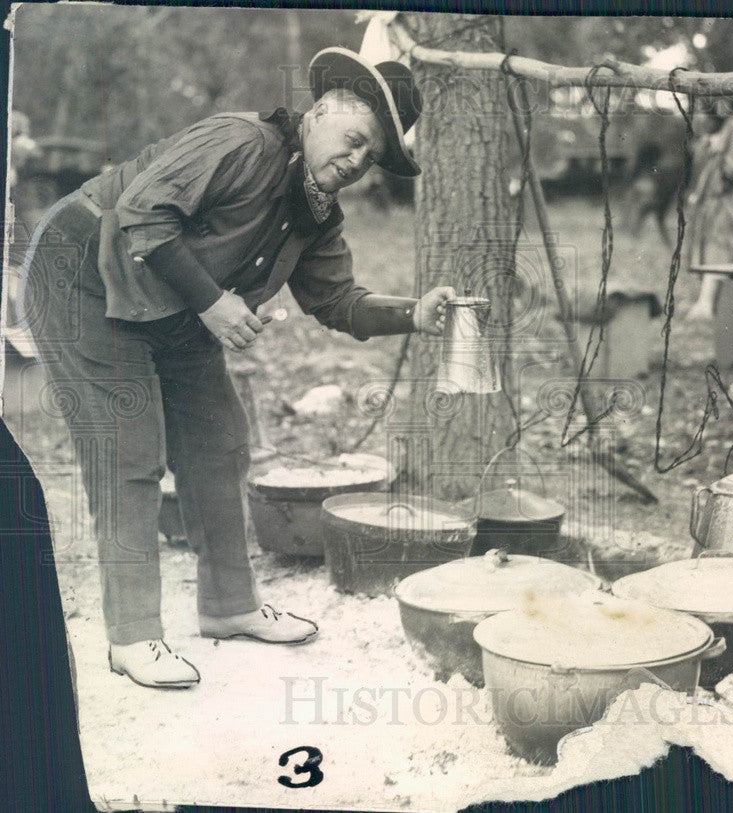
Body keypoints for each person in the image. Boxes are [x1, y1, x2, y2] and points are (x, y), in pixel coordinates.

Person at [23, 48, 454, 690]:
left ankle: (229, 608)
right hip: (81, 273)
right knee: (129, 451)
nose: (357, 161)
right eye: (357, 139)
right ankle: (133, 637)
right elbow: (143, 213)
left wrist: (413, 314)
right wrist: (214, 302)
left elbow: (336, 301)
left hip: (174, 307)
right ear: (322, 113)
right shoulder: (241, 141)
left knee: (219, 446)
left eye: (372, 158)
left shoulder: (317, 214)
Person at [683, 95, 733, 320]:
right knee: (715, 246)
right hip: (723, 199)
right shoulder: (731, 126)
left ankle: (707, 303)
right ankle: (710, 302)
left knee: (720, 247)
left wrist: (720, 176)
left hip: (732, 200)